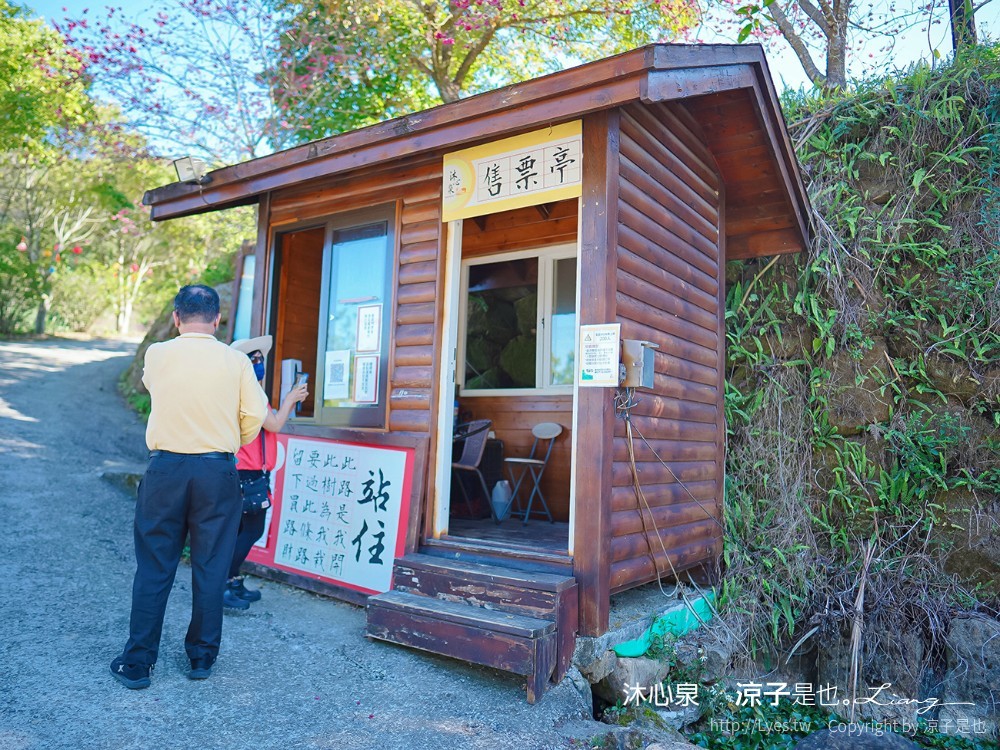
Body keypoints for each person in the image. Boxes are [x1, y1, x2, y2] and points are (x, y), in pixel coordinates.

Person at [110, 284, 269, 689]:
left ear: (177, 318)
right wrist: (231, 436)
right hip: (218, 472)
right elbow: (255, 412)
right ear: (218, 320)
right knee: (212, 566)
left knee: (154, 567)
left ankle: (137, 664)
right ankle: (201, 658)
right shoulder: (235, 361)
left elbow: (154, 388)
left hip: (165, 470)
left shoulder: (158, 354)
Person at [224, 335, 308, 610]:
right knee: (251, 529)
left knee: (239, 530)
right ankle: (224, 583)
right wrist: (290, 400)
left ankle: (232, 581)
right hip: (247, 472)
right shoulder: (248, 393)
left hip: (244, 471)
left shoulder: (242, 391)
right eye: (252, 358)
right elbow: (273, 425)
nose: (258, 362)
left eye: (260, 358)